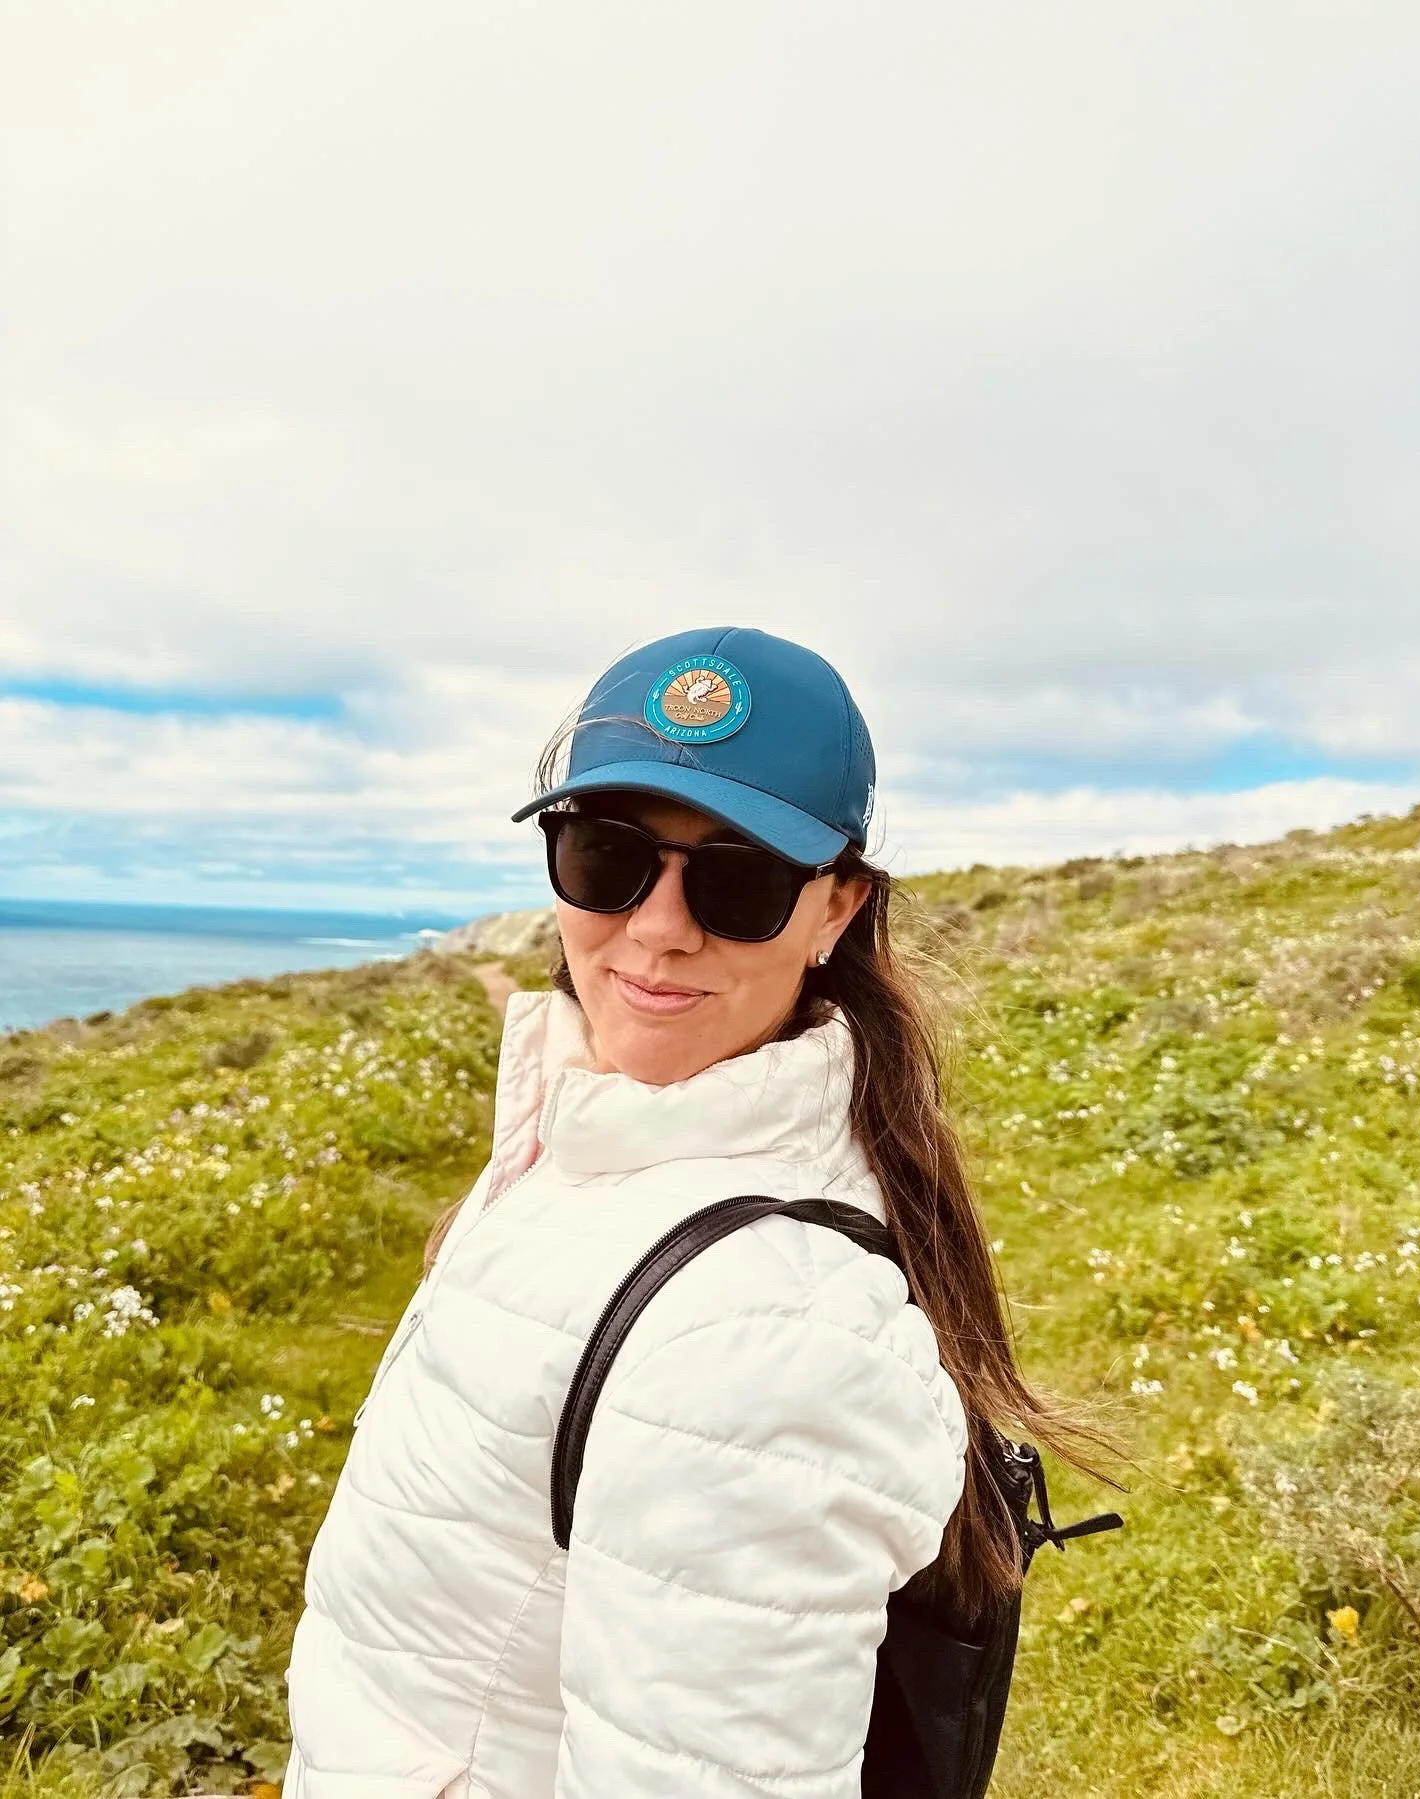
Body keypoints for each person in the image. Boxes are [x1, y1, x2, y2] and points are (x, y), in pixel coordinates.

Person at [281, 626, 1085, 1799]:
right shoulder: (588, 1138)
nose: (659, 925)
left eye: (739, 878)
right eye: (607, 856)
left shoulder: (768, 1339)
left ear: (835, 909)